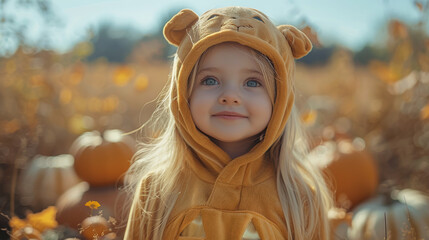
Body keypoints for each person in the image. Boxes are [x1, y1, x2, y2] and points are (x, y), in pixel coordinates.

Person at [123, 6, 333, 240]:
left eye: (253, 83)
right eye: (210, 80)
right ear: (183, 93)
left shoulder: (299, 196)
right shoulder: (158, 190)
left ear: (279, 99)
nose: (230, 95)